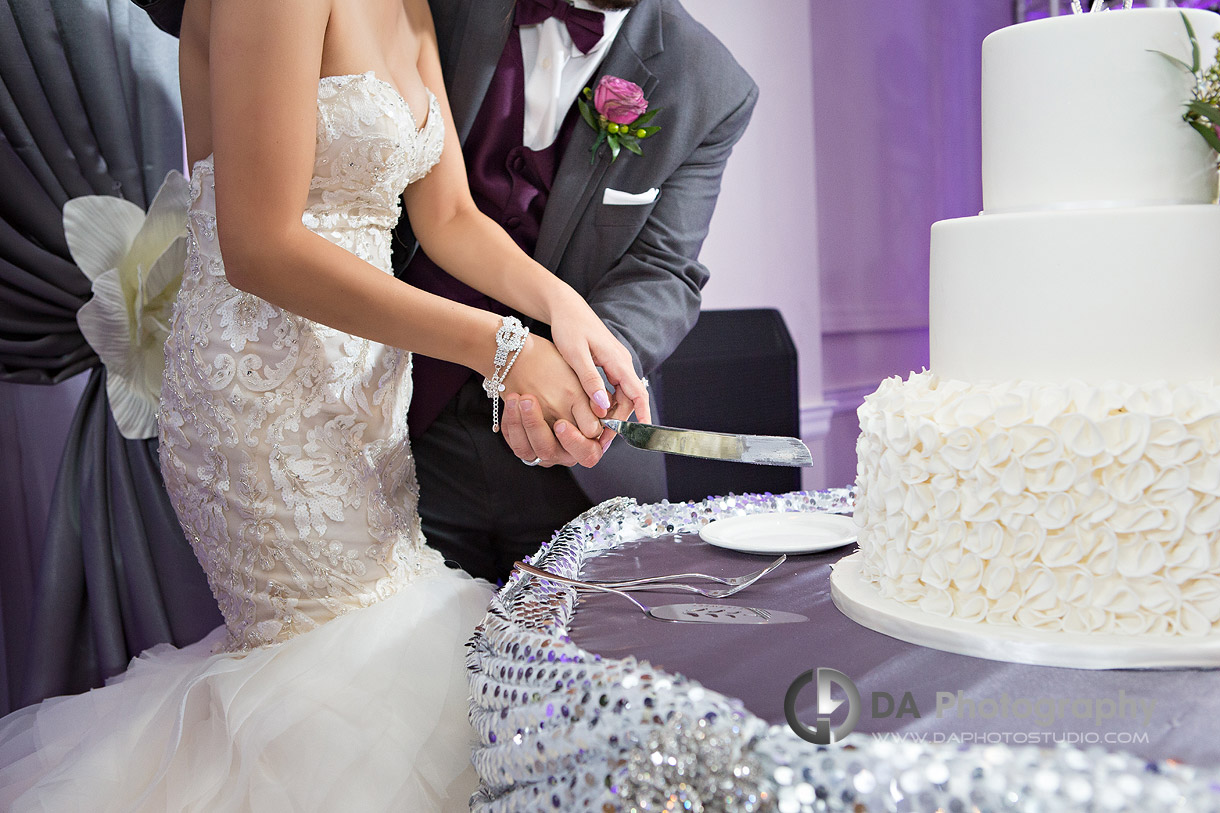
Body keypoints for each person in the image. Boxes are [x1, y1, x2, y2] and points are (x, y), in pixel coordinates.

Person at [0, 0, 649, 809]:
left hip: (363, 389)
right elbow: (259, 245)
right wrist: (503, 348)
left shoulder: (412, 4)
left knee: (383, 628)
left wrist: (565, 311)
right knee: (331, 658)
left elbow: (445, 216)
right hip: (261, 390)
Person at [400, 0, 758, 582]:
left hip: (576, 466)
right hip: (396, 420)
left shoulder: (709, 82)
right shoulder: (439, 8)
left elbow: (664, 269)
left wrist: (588, 381)